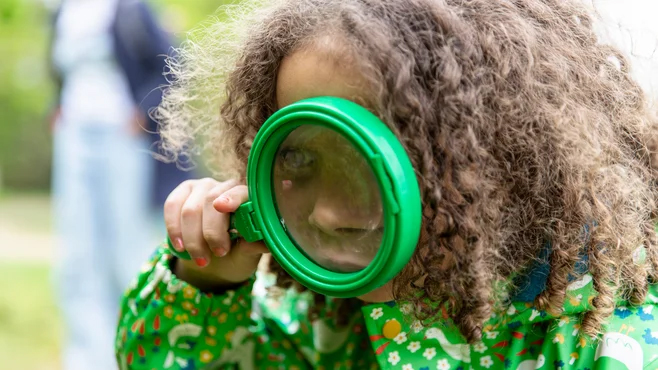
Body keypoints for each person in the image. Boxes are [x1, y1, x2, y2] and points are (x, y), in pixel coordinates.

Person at [115, 0, 658, 369]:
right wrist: (208, 283)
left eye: (370, 161)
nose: (328, 211)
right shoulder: (320, 314)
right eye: (300, 157)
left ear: (508, 160)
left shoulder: (605, 340)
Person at [48, 0, 194, 369]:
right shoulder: (63, 10)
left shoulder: (131, 9)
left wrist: (141, 114)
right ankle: (86, 358)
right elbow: (58, 66)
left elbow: (171, 64)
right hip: (74, 136)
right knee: (78, 253)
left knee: (124, 247)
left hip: (121, 137)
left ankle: (134, 351)